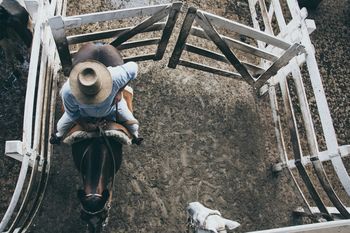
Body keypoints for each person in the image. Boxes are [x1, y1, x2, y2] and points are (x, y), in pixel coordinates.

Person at [49, 59, 143, 145]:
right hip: (83, 113)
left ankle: (136, 137)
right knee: (60, 127)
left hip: (112, 108)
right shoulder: (68, 92)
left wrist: (119, 91)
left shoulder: (115, 77)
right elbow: (72, 113)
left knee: (134, 127)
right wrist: (85, 126)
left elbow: (133, 67)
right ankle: (58, 136)